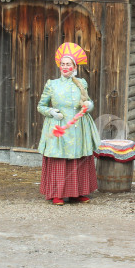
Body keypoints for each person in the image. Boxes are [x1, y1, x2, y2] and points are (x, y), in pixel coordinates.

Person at [37, 42, 100, 205]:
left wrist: (89, 106)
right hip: (60, 127)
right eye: (62, 64)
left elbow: (87, 101)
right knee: (59, 159)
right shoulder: (52, 84)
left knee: (78, 159)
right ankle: (57, 194)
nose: (65, 67)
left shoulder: (81, 83)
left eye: (68, 64)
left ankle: (77, 193)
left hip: (79, 127)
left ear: (74, 66)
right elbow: (41, 106)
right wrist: (50, 112)